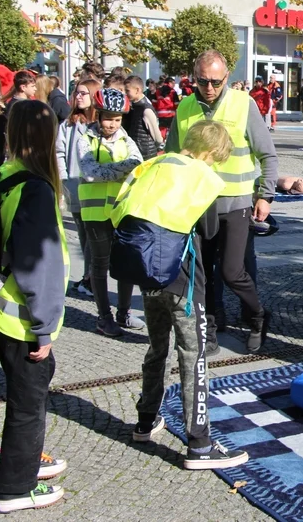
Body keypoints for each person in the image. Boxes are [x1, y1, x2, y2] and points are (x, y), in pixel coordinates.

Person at [111, 120, 249, 469]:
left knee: (157, 347)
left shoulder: (154, 163)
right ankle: (200, 444)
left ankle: (145, 420)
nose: (215, 165)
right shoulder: (199, 175)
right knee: (194, 355)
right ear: (209, 152)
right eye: (217, 158)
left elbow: (121, 208)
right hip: (184, 281)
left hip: (148, 273)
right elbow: (209, 228)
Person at [0, 100, 69, 513]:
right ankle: (15, 488)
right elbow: (40, 268)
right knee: (27, 404)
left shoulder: (1, 176)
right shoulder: (34, 187)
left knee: (21, 398)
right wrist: (45, 329)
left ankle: (23, 466)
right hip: (23, 318)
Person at [165, 50, 278, 356]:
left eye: (215, 81)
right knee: (201, 275)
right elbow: (172, 156)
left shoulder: (244, 104)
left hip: (236, 203)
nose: (210, 87)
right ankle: (210, 329)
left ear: (227, 77)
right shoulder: (185, 107)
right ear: (193, 78)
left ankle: (258, 318)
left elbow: (268, 154)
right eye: (202, 81)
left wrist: (265, 195)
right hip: (198, 204)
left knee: (231, 271)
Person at [78, 88, 145, 336]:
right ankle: (104, 317)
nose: (112, 124)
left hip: (121, 210)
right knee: (100, 264)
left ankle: (124, 313)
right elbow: (89, 171)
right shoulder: (85, 139)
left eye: (117, 119)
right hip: (95, 213)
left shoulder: (126, 139)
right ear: (98, 115)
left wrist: (108, 169)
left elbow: (136, 165)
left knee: (125, 263)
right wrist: (121, 168)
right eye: (108, 118)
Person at [56, 78, 101, 298]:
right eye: (77, 93)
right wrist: (64, 180)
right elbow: (59, 153)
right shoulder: (68, 123)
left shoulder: (101, 123)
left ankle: (92, 277)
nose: (79, 96)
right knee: (83, 234)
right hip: (74, 186)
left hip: (95, 189)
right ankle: (87, 275)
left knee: (93, 235)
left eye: (84, 93)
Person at [124, 75, 163, 161]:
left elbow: (158, 139)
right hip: (136, 154)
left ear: (137, 90)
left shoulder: (146, 110)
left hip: (146, 157)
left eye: (127, 91)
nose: (125, 94)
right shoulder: (134, 107)